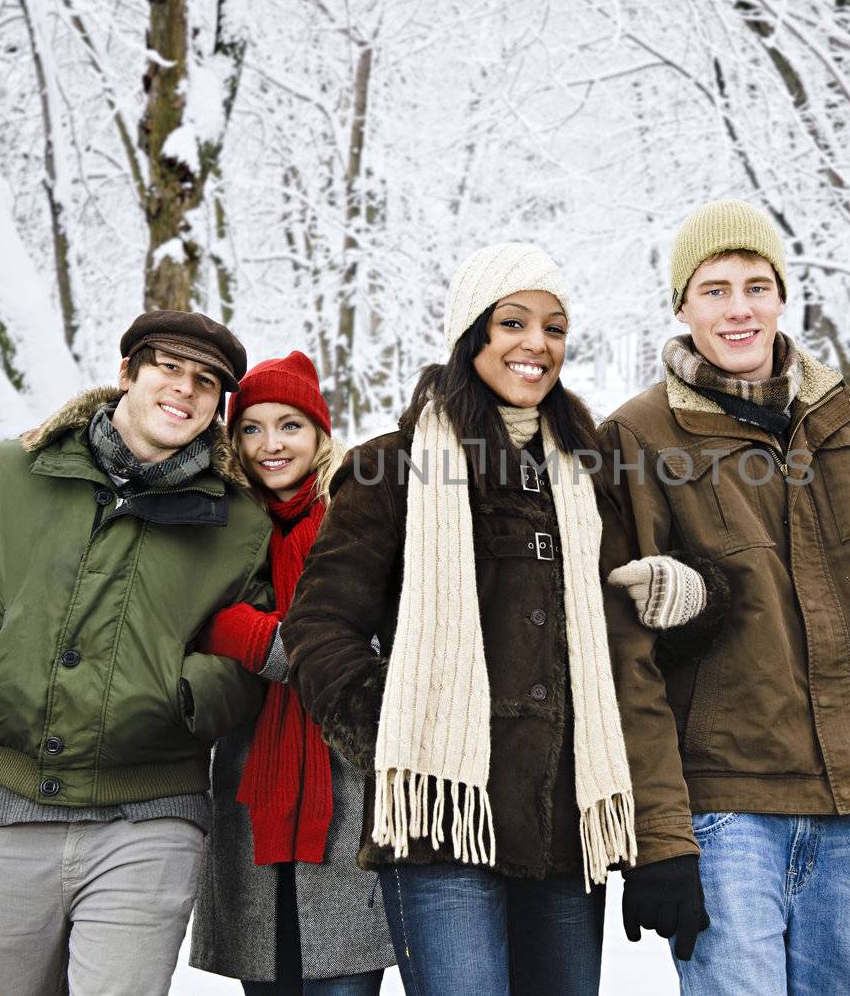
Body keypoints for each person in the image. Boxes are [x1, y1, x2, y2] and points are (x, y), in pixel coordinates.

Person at [281, 243, 658, 995]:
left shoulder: (586, 477)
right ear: (472, 334)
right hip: (440, 827)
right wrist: (395, 722)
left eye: (554, 327)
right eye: (513, 321)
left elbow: (619, 617)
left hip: (561, 830)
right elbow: (318, 626)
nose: (537, 344)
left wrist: (691, 588)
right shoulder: (394, 469)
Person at [599, 198, 850, 995]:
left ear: (782, 295)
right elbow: (627, 658)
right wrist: (659, 837)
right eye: (714, 289)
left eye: (756, 285)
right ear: (682, 305)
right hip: (723, 811)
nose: (738, 308)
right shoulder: (637, 437)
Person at [0, 310, 272, 995]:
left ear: (218, 407)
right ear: (127, 373)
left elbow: (248, 658)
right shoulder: (10, 472)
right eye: (169, 368)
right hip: (12, 809)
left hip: (149, 820)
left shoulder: (238, 521)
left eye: (207, 382)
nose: (185, 389)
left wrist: (177, 695)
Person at [189, 351, 394, 994]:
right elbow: (180, 624)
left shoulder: (362, 518)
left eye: (290, 426)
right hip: (250, 793)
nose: (271, 445)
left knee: (343, 976)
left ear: (319, 434)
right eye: (251, 428)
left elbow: (361, 654)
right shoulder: (220, 528)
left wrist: (243, 632)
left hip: (348, 794)